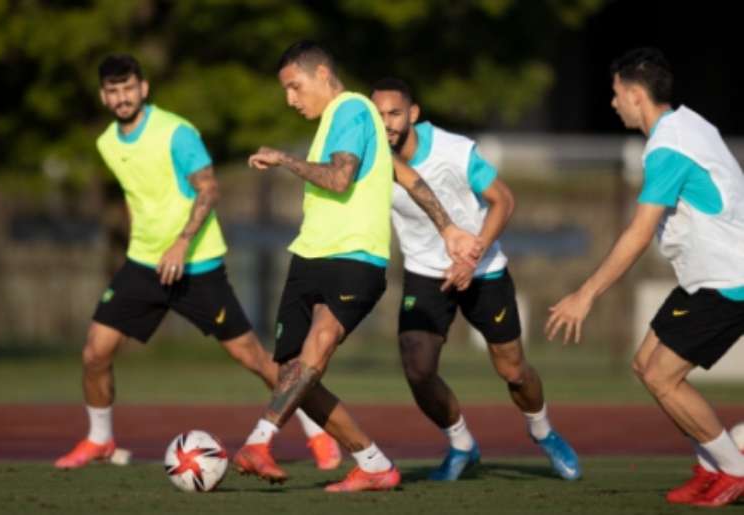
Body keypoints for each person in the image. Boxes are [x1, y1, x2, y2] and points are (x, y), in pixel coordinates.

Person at [54, 54, 341, 471]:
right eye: (113, 91)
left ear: (144, 88)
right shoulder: (107, 143)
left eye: (128, 88)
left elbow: (208, 190)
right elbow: (144, 198)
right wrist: (151, 245)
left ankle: (318, 433)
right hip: (143, 264)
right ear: (104, 96)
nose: (122, 97)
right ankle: (99, 439)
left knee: (255, 359)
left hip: (197, 265)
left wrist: (181, 244)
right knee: (94, 353)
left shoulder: (176, 132)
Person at [231, 41, 482, 492]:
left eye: (294, 86)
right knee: (293, 374)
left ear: (323, 74)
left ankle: (259, 440)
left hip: (352, 258)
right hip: (311, 254)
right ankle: (373, 463)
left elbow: (340, 177)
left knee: (318, 345)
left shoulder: (350, 108)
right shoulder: (340, 121)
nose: (289, 99)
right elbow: (406, 175)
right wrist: (447, 228)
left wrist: (284, 158)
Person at [545, 47, 744, 507]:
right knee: (645, 366)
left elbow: (637, 234)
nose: (613, 103)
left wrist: (586, 294)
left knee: (662, 377)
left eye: (616, 94)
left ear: (635, 94)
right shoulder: (689, 125)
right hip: (707, 276)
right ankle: (711, 465)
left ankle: (733, 470)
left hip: (726, 279)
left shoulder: (668, 145)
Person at [370, 78, 581, 482]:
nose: (386, 124)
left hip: (483, 270)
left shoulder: (454, 151)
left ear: (413, 114)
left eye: (394, 113)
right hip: (424, 274)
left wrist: (473, 255)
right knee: (418, 370)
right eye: (378, 115)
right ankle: (462, 445)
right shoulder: (374, 159)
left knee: (513, 371)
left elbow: (505, 200)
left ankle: (543, 431)